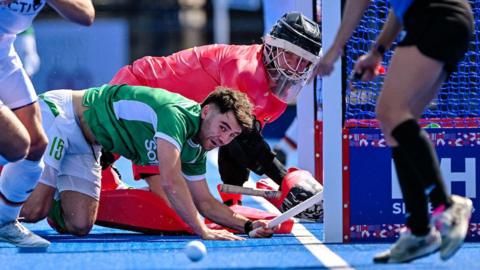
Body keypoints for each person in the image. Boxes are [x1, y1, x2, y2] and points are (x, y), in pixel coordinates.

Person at [102, 12, 324, 221]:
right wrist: (284, 178)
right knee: (175, 210)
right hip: (139, 91)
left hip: (161, 114)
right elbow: (246, 142)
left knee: (177, 207)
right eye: (293, 57)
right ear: (274, 48)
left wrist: (231, 203)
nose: (298, 67)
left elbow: (236, 142)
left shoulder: (271, 90)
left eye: (305, 62)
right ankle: (100, 179)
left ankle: (104, 178)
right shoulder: (246, 69)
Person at [315, 0, 474, 264]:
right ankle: (419, 230)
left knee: (390, 112)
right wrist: (377, 51)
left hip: (435, 17)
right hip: (450, 21)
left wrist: (333, 51)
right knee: (395, 123)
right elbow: (399, 8)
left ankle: (447, 205)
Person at [20, 84, 276, 240]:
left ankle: (43, 191)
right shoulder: (175, 116)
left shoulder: (197, 146)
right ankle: (17, 180)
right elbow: (170, 180)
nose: (223, 139)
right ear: (206, 111)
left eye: (231, 135)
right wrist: (202, 230)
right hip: (62, 116)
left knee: (79, 224)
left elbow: (206, 202)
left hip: (88, 145)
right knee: (33, 212)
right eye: (223, 127)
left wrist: (249, 225)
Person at [0, 0, 94, 248]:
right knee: (17, 144)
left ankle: (3, 222)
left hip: (3, 53)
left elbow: (86, 14)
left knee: (36, 145)